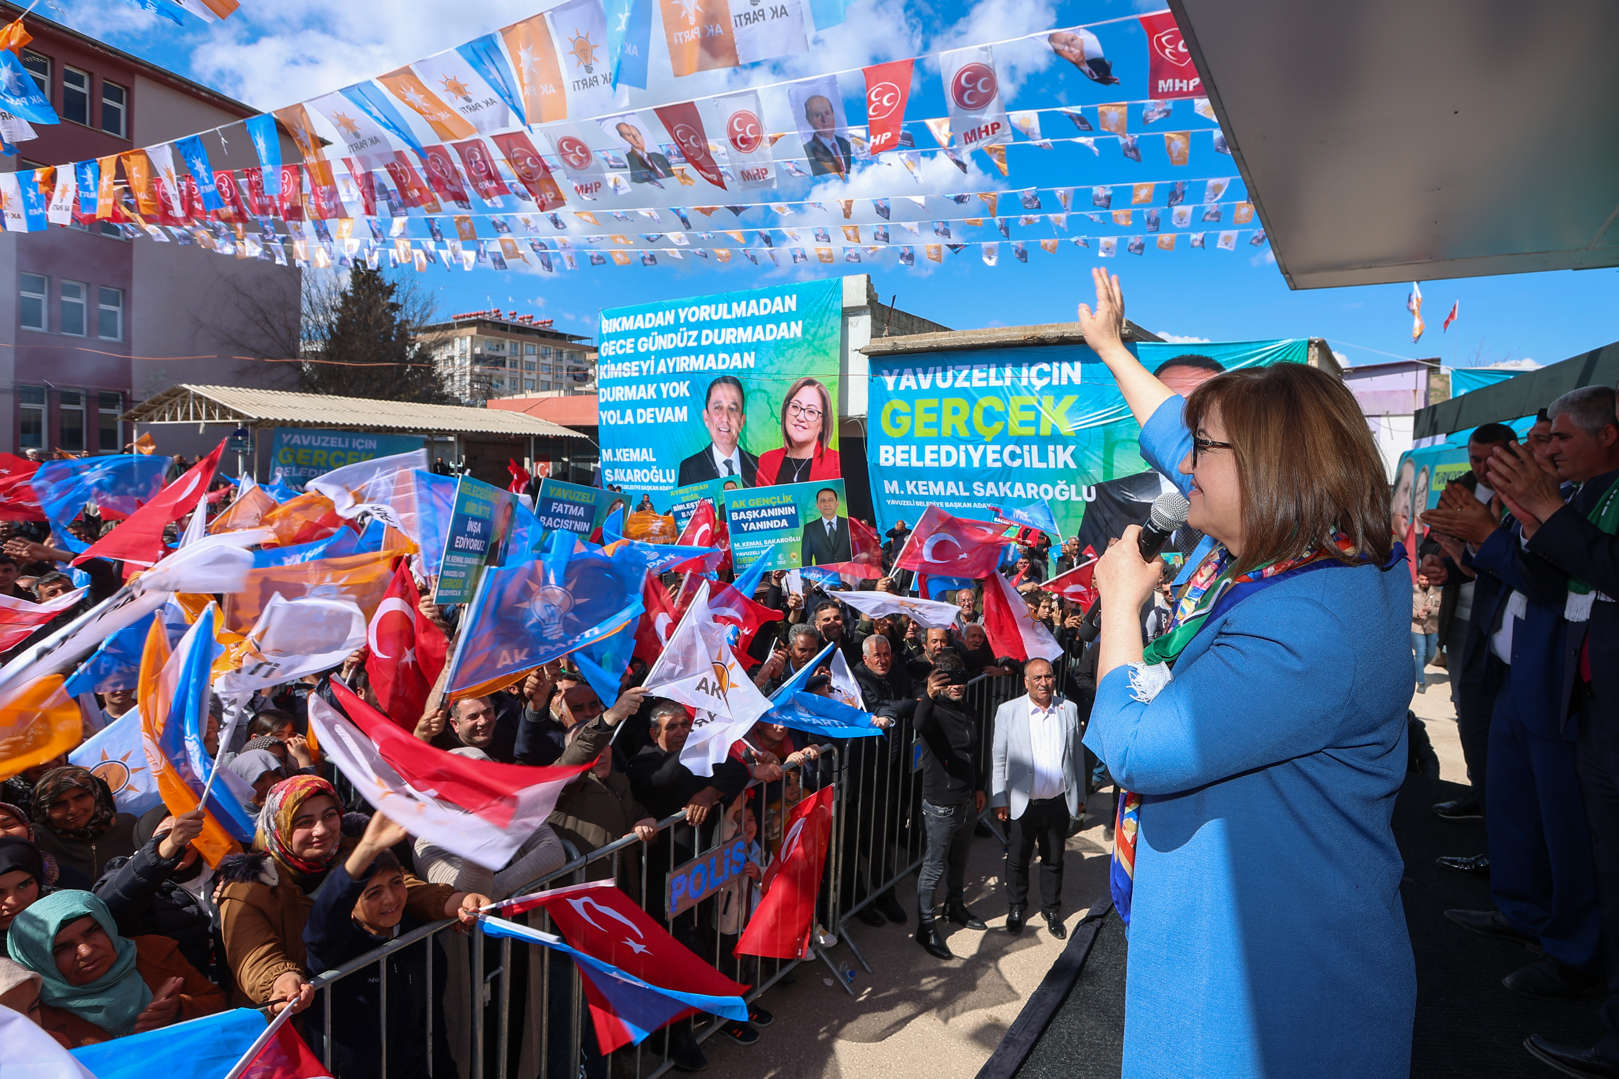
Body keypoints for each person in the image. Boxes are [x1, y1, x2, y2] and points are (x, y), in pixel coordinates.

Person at [1075, 268, 1414, 1077]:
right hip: (1247, 936)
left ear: (1271, 467)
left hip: (1263, 985)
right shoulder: (1311, 552)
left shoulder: (1308, 619)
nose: (1181, 465)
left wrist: (1120, 606)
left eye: (1202, 450)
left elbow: (1138, 745)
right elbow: (1168, 428)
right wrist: (1111, 348)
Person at [1474, 387, 1619, 1077]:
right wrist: (1491, 533)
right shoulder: (1589, 494)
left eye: (1557, 438)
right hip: (1584, 699)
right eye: (1543, 438)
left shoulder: (1590, 496)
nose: (1545, 449)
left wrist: (1543, 510)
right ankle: (1585, 978)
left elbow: (1592, 573)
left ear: (1607, 435)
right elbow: (1547, 573)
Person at [215, 775, 468, 1009]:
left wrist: (451, 900)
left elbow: (402, 886)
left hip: (353, 1013)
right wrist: (280, 980)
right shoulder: (246, 888)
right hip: (294, 1030)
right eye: (304, 822)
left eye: (329, 816)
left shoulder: (354, 851)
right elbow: (253, 954)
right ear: (280, 827)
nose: (321, 830)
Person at [303, 813, 482, 1079]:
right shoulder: (336, 947)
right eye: (373, 893)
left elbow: (433, 1028)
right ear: (349, 905)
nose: (390, 899)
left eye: (396, 883)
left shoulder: (420, 940)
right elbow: (321, 923)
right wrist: (367, 848)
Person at [6, 889, 225, 1048]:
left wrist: (180, 1010)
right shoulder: (32, 1008)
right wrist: (134, 1043)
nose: (86, 951)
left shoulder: (155, 952)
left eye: (92, 931)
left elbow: (221, 1005)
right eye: (62, 948)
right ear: (38, 960)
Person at [1072, 353, 1225, 559]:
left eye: (1201, 408)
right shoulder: (1106, 497)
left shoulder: (1247, 506)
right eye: (1167, 412)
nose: (1186, 420)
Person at [990, 658, 1084, 938]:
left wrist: (1079, 797)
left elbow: (1076, 756)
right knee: (1017, 859)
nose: (1044, 683)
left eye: (1049, 677)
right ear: (1026, 682)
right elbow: (998, 757)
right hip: (1022, 803)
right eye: (1038, 678)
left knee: (1054, 859)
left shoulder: (1069, 710)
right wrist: (999, 798)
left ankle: (1051, 909)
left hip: (1057, 801)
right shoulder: (1008, 711)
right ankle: (1017, 907)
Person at [911, 653, 986, 960]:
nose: (957, 685)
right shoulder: (932, 710)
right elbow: (919, 723)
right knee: (934, 866)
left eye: (961, 679)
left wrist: (979, 786)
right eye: (949, 680)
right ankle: (926, 926)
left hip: (967, 799)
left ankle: (955, 906)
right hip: (941, 803)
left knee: (960, 860)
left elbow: (972, 751)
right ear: (936, 681)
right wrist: (928, 695)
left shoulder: (965, 707)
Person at [29, 767, 137, 889]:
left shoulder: (127, 825)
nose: (73, 809)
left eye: (80, 797)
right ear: (44, 809)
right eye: (58, 804)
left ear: (95, 795)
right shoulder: (37, 840)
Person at [755, 377, 841, 487]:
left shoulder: (835, 463)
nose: (800, 417)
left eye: (811, 411)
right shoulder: (767, 461)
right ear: (785, 411)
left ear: (823, 424)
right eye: (795, 406)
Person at [677, 377, 758, 486]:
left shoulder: (760, 468)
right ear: (706, 418)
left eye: (733, 408)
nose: (725, 418)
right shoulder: (689, 469)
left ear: (742, 421)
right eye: (718, 408)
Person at [1048, 26, 1119, 84]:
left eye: (1072, 40)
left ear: (1081, 40)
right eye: (1062, 46)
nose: (1070, 48)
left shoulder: (1098, 62)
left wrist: (1108, 78)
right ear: (1059, 53)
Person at [800, 94, 851, 176]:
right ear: (809, 120)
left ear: (833, 114)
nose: (824, 119)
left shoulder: (847, 143)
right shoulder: (808, 150)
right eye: (817, 115)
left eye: (827, 113)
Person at [800, 488, 852, 566]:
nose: (827, 504)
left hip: (849, 575)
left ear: (837, 503)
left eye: (830, 500)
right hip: (823, 577)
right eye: (822, 501)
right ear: (817, 505)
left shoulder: (849, 524)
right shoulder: (809, 529)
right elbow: (806, 561)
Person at [617, 120, 673, 184]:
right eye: (629, 135)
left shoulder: (659, 156)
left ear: (641, 136)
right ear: (624, 138)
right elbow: (636, 183)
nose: (635, 138)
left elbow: (673, 177)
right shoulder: (628, 161)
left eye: (636, 135)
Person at [1412, 571, 1441, 692]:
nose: (1425, 582)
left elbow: (1442, 610)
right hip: (1416, 627)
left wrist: (1431, 610)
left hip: (1432, 627)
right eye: (1422, 579)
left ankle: (1414, 669)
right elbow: (1404, 608)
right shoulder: (1411, 590)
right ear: (1418, 578)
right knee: (1420, 653)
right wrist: (1416, 613)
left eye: (1427, 579)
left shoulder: (1437, 591)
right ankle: (1421, 682)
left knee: (1430, 654)